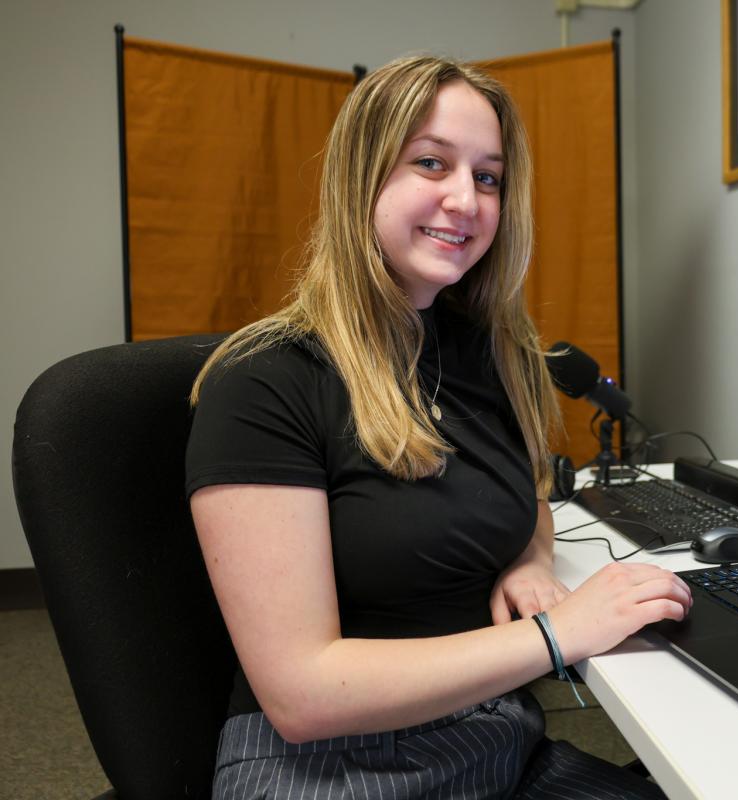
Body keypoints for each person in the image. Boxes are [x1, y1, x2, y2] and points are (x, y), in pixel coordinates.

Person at [185, 54, 691, 799]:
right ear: (361, 176)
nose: (466, 200)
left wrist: (528, 561)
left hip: (493, 743)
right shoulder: (265, 381)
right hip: (330, 768)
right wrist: (558, 634)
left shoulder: (486, 352)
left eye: (488, 177)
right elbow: (302, 694)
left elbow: (529, 497)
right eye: (431, 163)